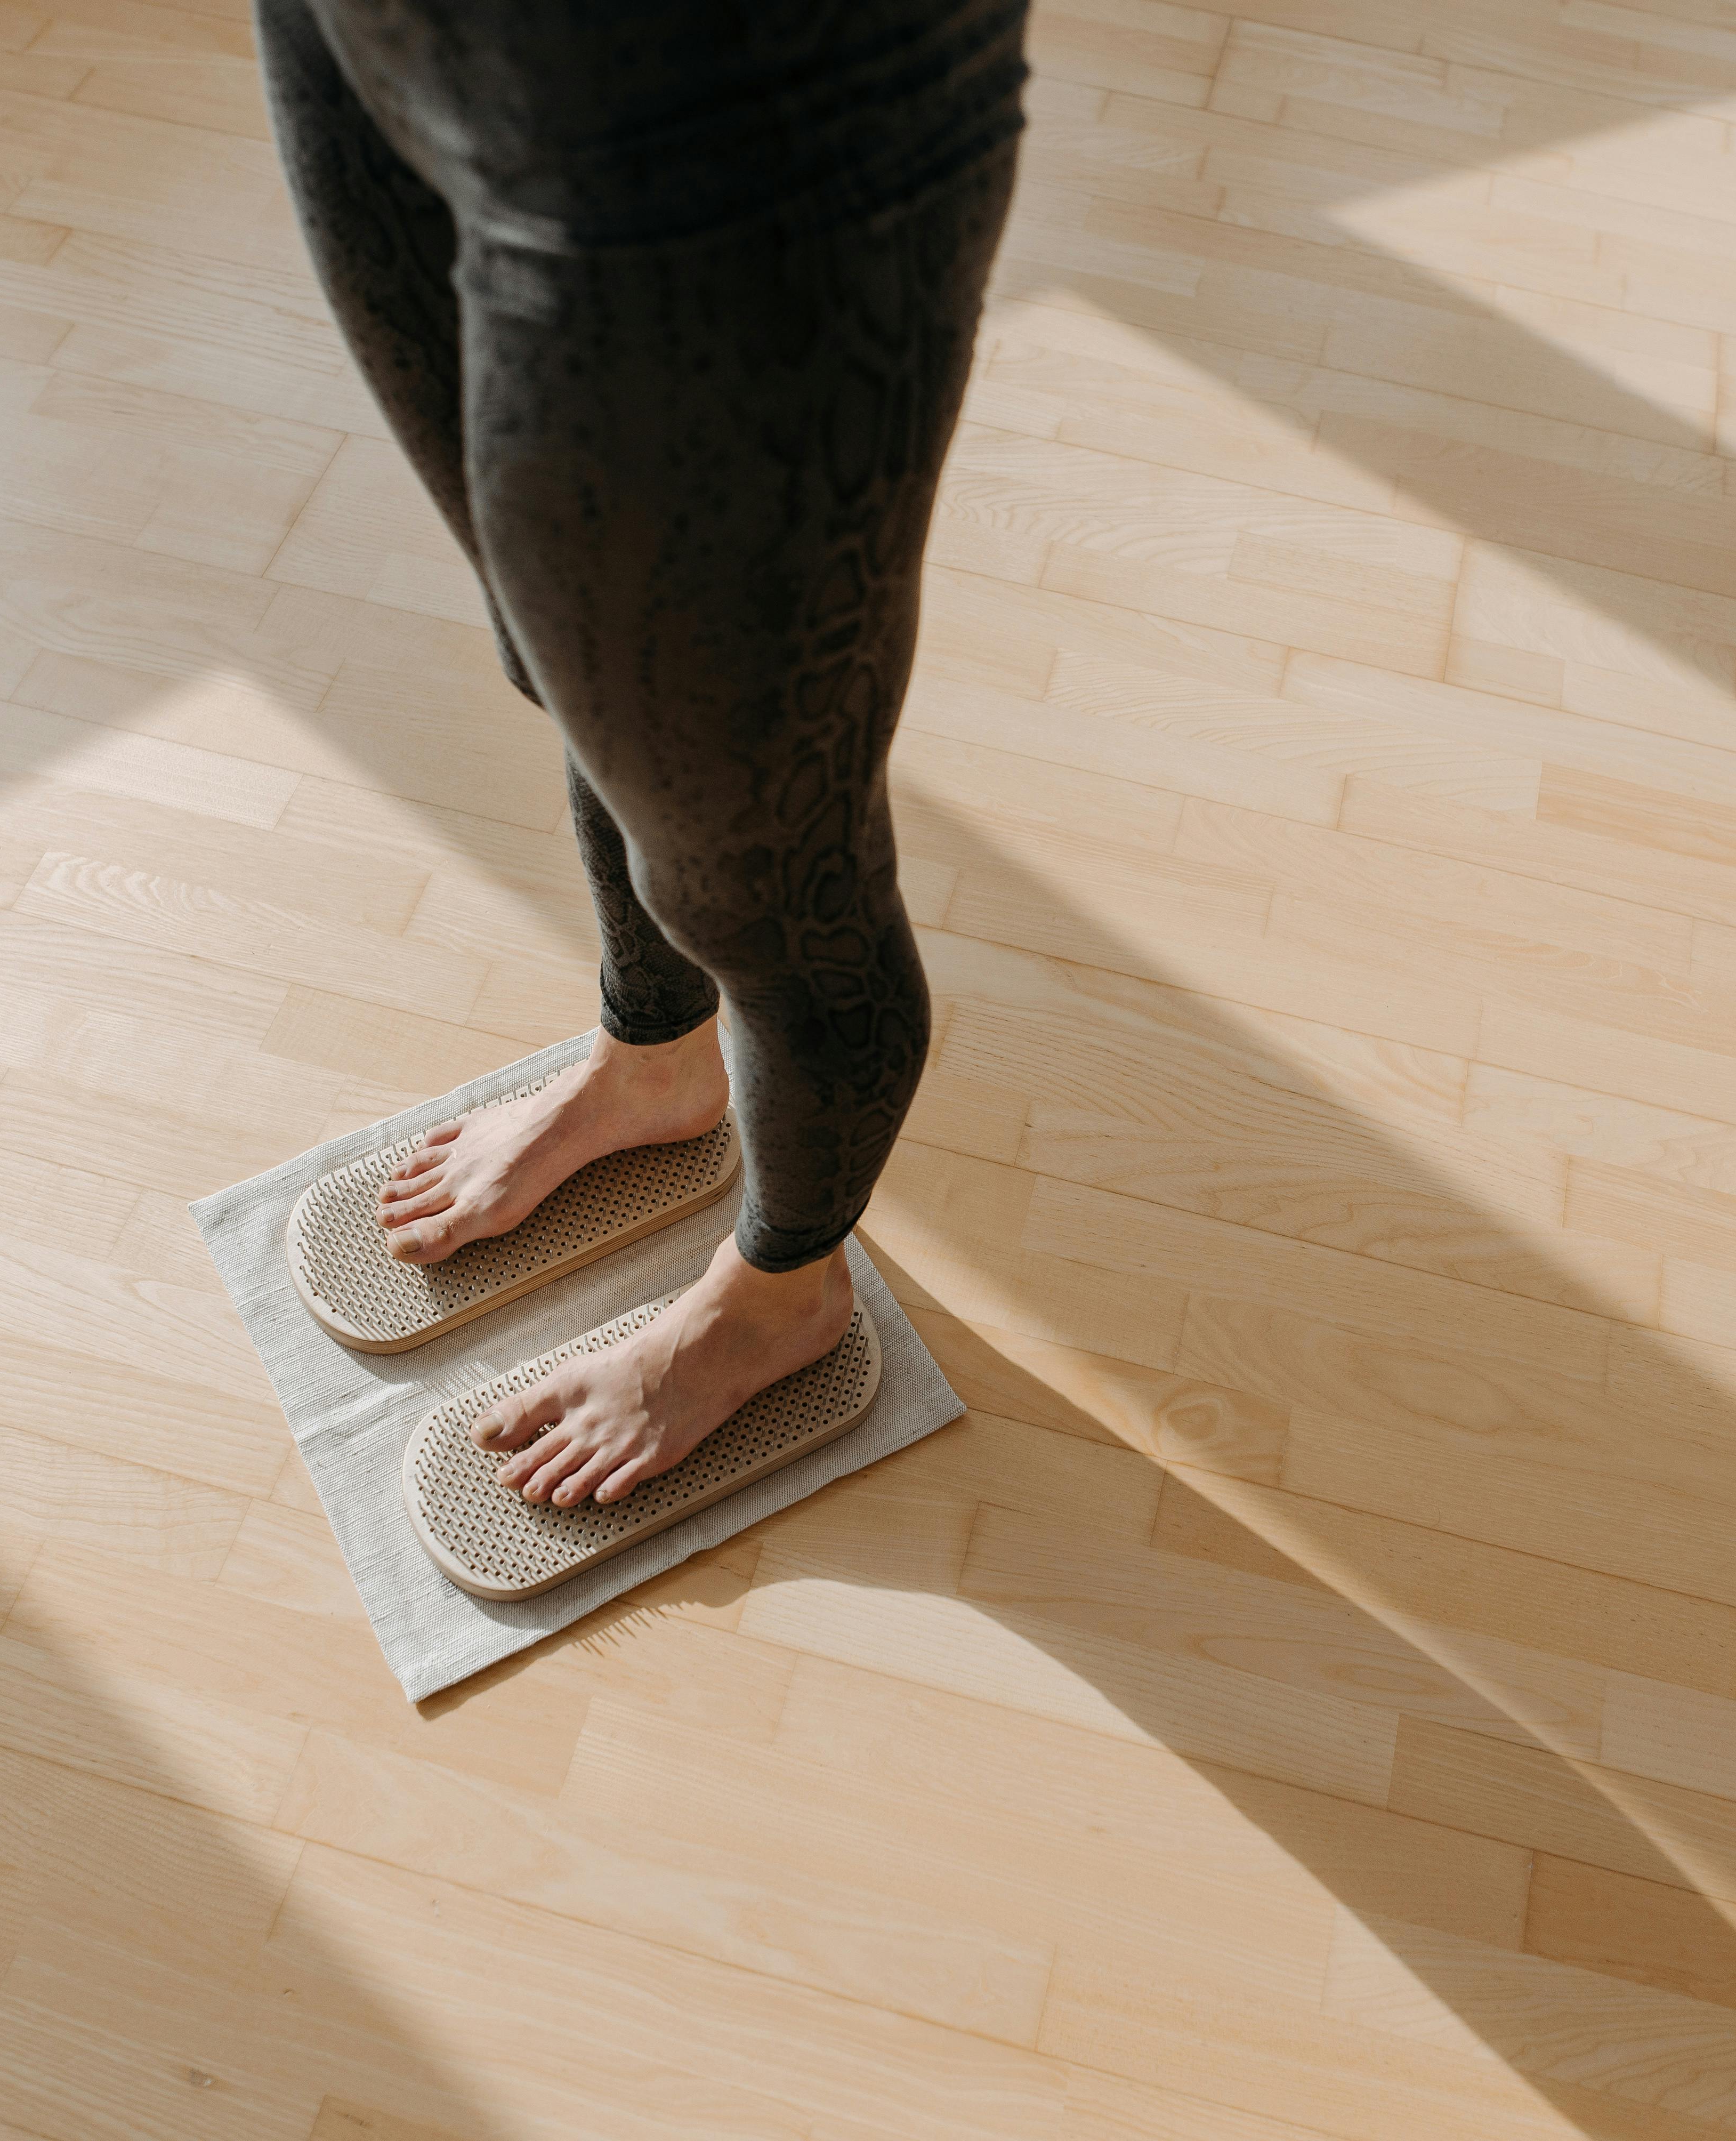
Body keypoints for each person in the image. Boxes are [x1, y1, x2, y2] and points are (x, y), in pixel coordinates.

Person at [257, 2, 1028, 1510]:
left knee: (763, 863)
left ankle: (784, 1296)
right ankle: (654, 1062)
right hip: (377, 41)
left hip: (718, 112)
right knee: (567, 663)